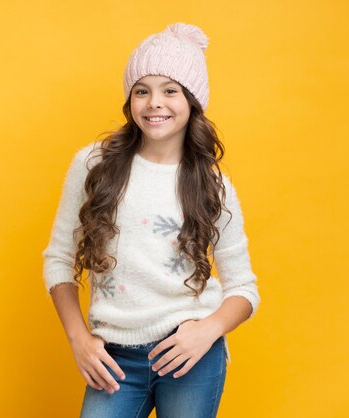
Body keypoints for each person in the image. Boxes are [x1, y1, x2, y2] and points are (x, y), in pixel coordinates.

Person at [41, 23, 261, 418]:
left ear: (192, 101)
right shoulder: (94, 165)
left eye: (170, 90)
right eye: (142, 90)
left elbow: (244, 289)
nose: (154, 102)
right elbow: (58, 258)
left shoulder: (214, 185)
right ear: (130, 101)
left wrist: (207, 331)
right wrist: (78, 339)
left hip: (190, 356)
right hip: (114, 358)